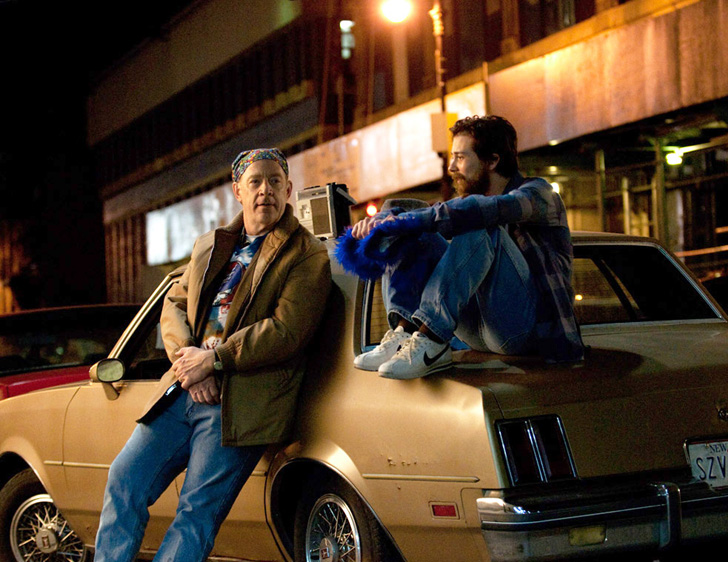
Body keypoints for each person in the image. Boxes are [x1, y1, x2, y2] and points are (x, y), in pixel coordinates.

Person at [94, 148, 331, 561]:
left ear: (288, 189)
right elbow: (173, 302)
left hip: (239, 403)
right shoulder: (211, 245)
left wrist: (215, 360)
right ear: (238, 190)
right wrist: (190, 362)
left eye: (275, 181)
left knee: (196, 513)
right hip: (182, 389)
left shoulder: (305, 254)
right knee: (124, 479)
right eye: (255, 181)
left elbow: (287, 330)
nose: (265, 190)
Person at [344, 115, 583, 379]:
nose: (451, 167)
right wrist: (384, 221)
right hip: (474, 331)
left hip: (523, 331)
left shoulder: (540, 195)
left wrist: (404, 222)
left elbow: (486, 209)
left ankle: (432, 337)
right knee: (402, 210)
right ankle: (405, 331)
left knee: (478, 220)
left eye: (460, 157)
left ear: (492, 161)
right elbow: (435, 215)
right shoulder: (471, 205)